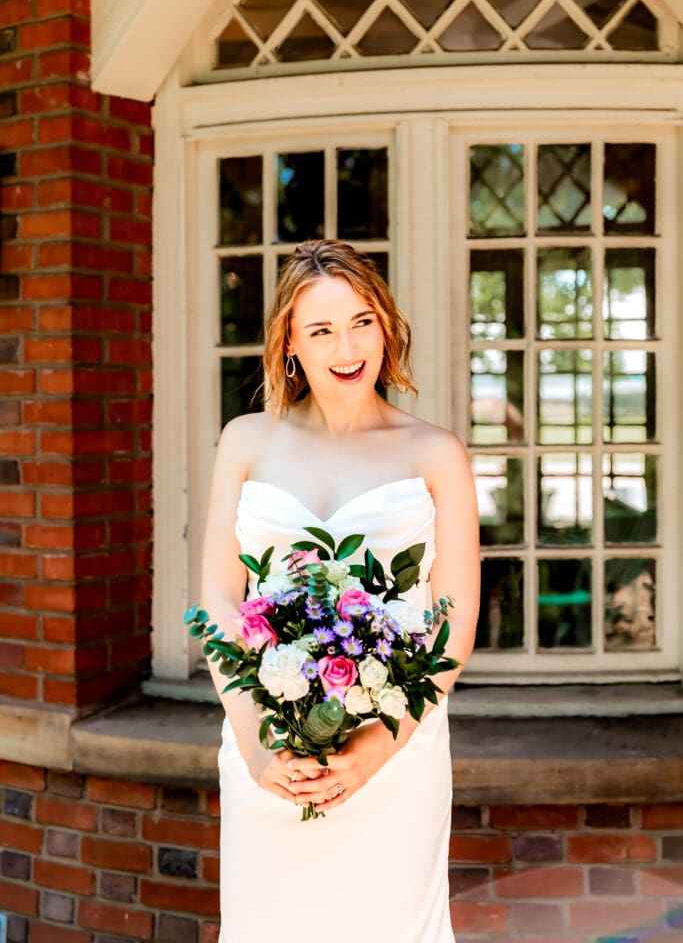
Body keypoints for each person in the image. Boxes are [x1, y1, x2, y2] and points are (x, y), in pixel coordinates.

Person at [201, 240, 480, 943]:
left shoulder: (435, 453)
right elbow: (217, 604)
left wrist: (375, 750)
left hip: (396, 751)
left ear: (385, 326)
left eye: (361, 321)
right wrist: (258, 747)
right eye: (320, 329)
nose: (345, 345)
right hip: (266, 751)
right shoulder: (244, 441)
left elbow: (453, 629)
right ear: (289, 344)